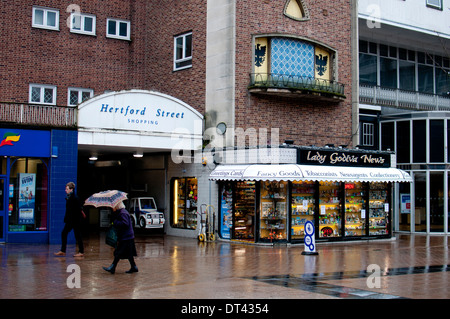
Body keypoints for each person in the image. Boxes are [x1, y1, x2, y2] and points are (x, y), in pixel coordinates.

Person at [103, 201, 138, 274]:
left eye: (113, 207)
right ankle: (134, 267)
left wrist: (115, 222)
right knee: (129, 253)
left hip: (126, 237)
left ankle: (112, 267)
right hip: (127, 236)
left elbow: (125, 224)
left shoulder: (123, 213)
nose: (112, 208)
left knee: (118, 252)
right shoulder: (121, 212)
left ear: (117, 206)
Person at [54, 182, 85, 257]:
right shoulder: (69, 197)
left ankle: (81, 252)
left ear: (71, 189)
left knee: (77, 235)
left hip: (74, 220)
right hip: (70, 220)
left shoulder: (75, 198)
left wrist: (78, 217)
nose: (65, 190)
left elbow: (79, 208)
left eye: (67, 189)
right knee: (64, 233)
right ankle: (63, 250)